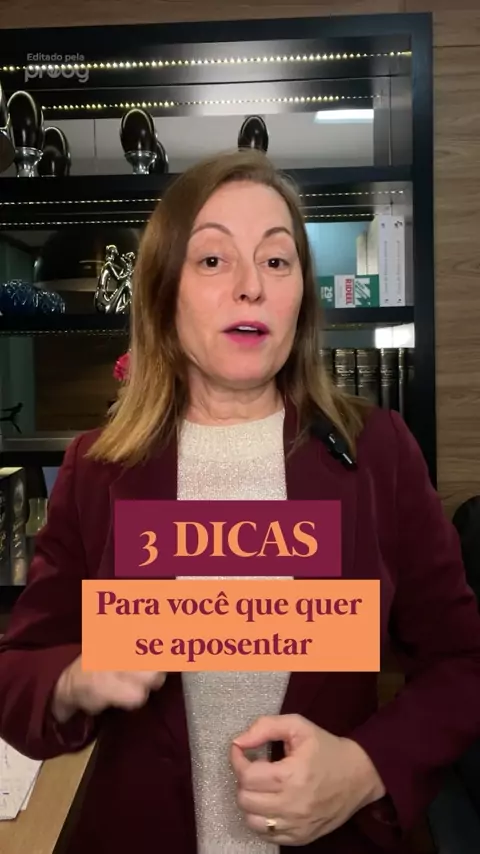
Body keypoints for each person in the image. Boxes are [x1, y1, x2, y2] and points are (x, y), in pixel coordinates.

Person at [1, 149, 480, 854]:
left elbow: (463, 665)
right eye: (213, 260)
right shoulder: (98, 470)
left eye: (277, 261)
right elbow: (17, 673)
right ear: (164, 291)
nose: (251, 287)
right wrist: (74, 679)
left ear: (300, 297)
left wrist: (365, 768)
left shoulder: (378, 453)